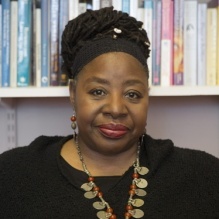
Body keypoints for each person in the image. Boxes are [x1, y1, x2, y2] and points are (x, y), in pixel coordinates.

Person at [0, 7, 219, 219]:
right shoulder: (13, 174)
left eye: (132, 94)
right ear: (73, 93)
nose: (116, 109)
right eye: (98, 91)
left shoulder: (203, 175)